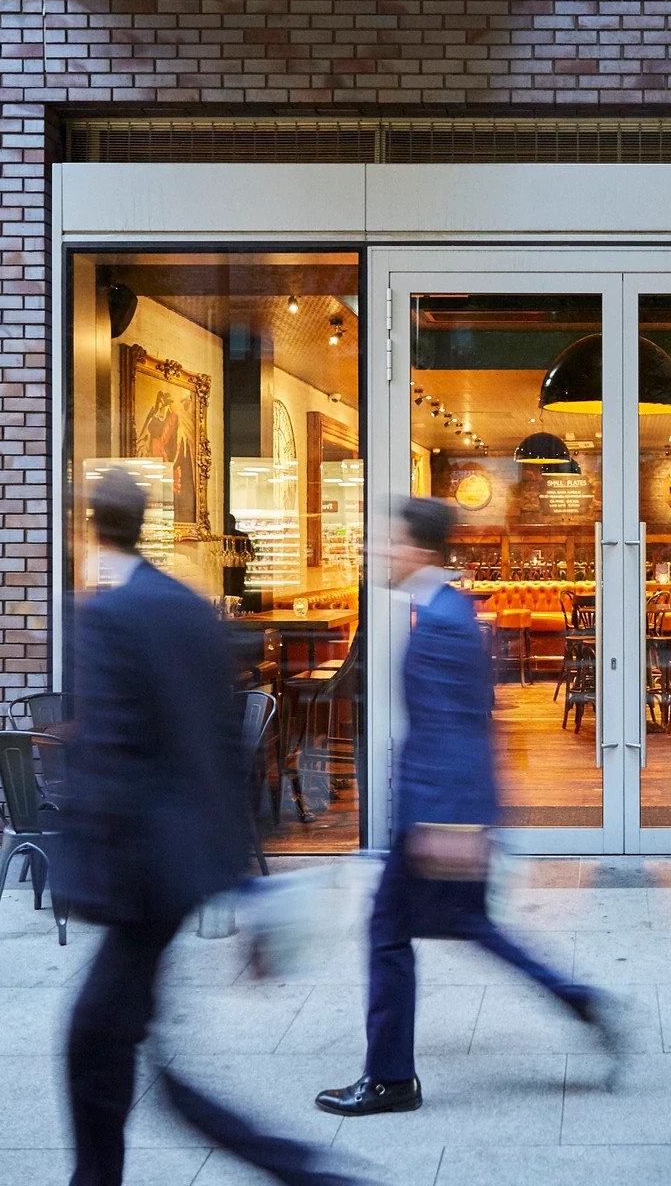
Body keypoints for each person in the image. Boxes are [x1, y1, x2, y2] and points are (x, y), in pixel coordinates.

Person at [59, 468, 357, 1186]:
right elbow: (219, 744)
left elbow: (109, 750)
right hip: (184, 857)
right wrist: (234, 868)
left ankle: (308, 1173)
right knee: (118, 1045)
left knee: (102, 1046)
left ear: (92, 528)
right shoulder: (189, 607)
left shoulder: (105, 616)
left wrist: (86, 870)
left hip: (141, 869)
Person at [316, 497, 618, 1118]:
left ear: (420, 550)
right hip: (447, 808)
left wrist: (451, 822)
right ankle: (577, 999)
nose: (381, 550)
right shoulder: (447, 610)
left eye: (391, 540)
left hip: (439, 813)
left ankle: (391, 1078)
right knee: (465, 925)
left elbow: (457, 727)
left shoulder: (443, 621)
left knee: (390, 932)